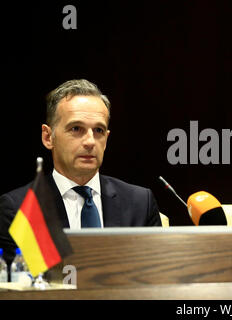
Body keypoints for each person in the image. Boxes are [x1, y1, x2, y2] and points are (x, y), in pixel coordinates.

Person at [0, 79, 161, 266]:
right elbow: (18, 287)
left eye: (98, 130)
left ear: (106, 139)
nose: (90, 141)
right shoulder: (21, 209)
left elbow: (156, 277)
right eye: (76, 129)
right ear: (48, 137)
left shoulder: (140, 203)